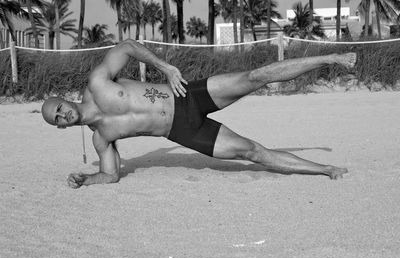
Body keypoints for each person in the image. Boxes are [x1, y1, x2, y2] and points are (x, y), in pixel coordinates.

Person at [41, 39, 356, 189]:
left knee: (255, 76)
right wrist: (86, 179)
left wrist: (165, 68)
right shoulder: (101, 140)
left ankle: (331, 57)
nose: (61, 116)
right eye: (56, 119)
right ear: (59, 127)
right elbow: (110, 175)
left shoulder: (97, 83)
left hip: (184, 96)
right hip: (182, 131)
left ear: (63, 100)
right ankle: (326, 169)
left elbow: (126, 47)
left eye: (58, 109)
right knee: (252, 151)